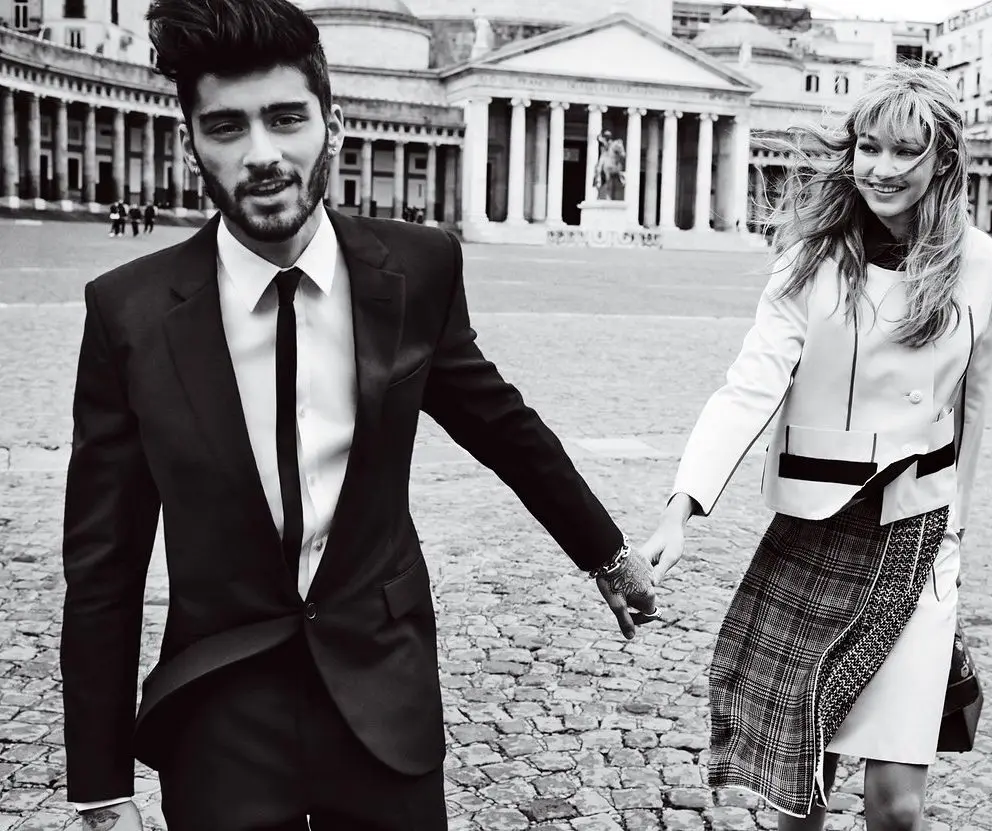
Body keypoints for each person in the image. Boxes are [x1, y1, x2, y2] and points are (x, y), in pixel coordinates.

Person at [60, 1, 657, 829]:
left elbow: (501, 425)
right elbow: (104, 561)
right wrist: (100, 786)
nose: (261, 154)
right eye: (227, 126)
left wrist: (607, 555)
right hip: (220, 709)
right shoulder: (128, 313)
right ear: (191, 141)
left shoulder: (416, 269)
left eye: (285, 118)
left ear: (331, 126)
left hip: (383, 687)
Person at [640, 64, 992, 830]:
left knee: (897, 806)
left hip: (918, 535)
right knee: (798, 792)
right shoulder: (812, 256)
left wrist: (958, 529)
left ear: (943, 159)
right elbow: (750, 385)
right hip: (817, 527)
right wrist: (681, 508)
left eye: (904, 150)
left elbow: (970, 408)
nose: (881, 168)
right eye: (868, 146)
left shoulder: (981, 262)